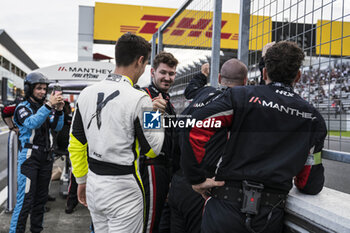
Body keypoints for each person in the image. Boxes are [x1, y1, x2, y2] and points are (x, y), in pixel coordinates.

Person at [181, 41, 327, 233]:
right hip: (269, 214)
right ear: (298, 76)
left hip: (226, 206)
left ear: (264, 73)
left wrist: (196, 177)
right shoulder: (313, 119)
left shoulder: (241, 96)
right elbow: (309, 182)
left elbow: (194, 125)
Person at [68, 32, 164, 233]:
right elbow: (153, 149)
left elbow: (76, 142)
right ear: (139, 61)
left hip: (94, 183)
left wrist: (81, 180)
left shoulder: (86, 94)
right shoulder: (140, 99)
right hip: (124, 188)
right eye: (146, 64)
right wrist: (156, 116)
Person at [168, 59, 247, 233]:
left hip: (178, 182)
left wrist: (201, 75)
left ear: (219, 78)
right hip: (202, 184)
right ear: (245, 82)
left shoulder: (205, 92)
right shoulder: (237, 102)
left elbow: (190, 90)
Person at [9, 72, 64, 233]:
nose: (42, 91)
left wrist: (59, 111)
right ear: (29, 89)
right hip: (29, 158)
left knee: (40, 201)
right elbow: (32, 123)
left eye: (44, 89)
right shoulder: (22, 107)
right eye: (38, 88)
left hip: (46, 157)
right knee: (25, 200)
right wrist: (49, 106)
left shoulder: (44, 108)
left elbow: (57, 127)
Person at [140, 51, 181, 233]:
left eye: (171, 74)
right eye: (163, 73)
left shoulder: (167, 100)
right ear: (152, 72)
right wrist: (154, 112)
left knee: (157, 221)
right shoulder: (146, 96)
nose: (167, 77)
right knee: (149, 221)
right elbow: (149, 139)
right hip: (151, 165)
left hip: (165, 168)